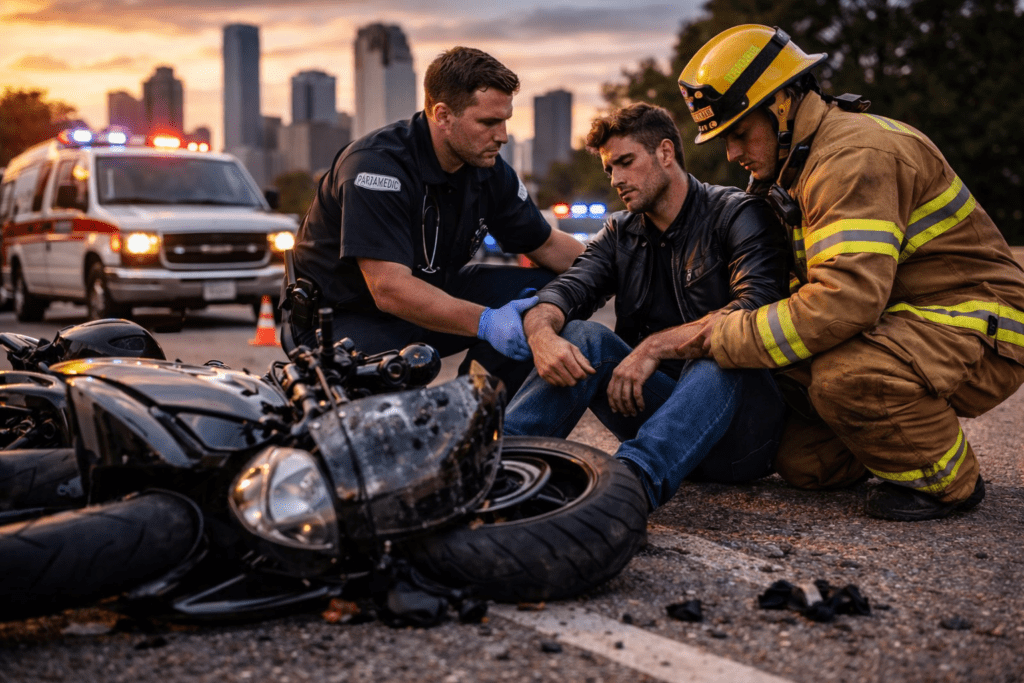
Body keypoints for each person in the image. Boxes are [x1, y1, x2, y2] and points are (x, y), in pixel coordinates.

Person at [675, 24, 1024, 520]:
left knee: (848, 379)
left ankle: (951, 482)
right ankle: (900, 435)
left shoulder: (853, 154)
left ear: (781, 106)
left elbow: (846, 301)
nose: (731, 153)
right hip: (899, 316)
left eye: (737, 132)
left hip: (978, 321)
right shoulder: (795, 166)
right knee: (806, 462)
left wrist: (721, 334)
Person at [504, 103, 789, 512]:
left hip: (739, 433)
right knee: (582, 336)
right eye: (609, 170)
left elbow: (756, 308)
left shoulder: (738, 213)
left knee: (722, 349)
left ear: (666, 153)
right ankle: (494, 469)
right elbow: (565, 291)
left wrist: (652, 348)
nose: (617, 179)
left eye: (625, 162)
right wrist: (542, 336)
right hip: (652, 409)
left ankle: (623, 493)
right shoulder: (620, 231)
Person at [286, 47, 583, 394]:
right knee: (391, 410)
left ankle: (481, 410)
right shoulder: (376, 166)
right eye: (488, 122)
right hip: (344, 315)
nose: (502, 135)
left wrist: (619, 269)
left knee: (555, 291)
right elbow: (388, 289)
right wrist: (486, 322)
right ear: (443, 115)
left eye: (505, 121)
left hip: (430, 295)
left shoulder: (488, 170)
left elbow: (547, 244)